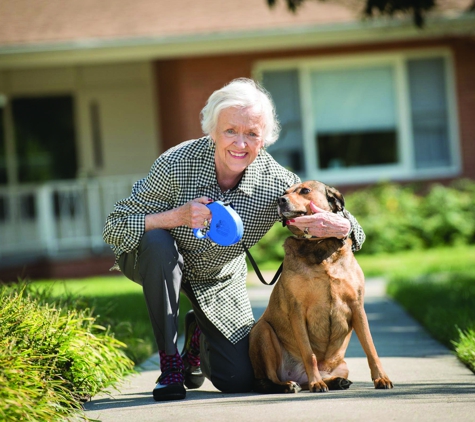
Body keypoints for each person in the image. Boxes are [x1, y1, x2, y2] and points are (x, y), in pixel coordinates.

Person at [102, 78, 366, 401]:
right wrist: (176, 217)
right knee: (159, 244)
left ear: (263, 140)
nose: (240, 144)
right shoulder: (176, 164)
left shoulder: (275, 183)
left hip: (218, 276)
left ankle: (196, 334)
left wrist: (340, 226)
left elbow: (351, 227)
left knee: (241, 377)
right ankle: (170, 365)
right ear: (213, 131)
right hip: (157, 260)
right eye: (230, 131)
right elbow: (113, 226)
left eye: (252, 134)